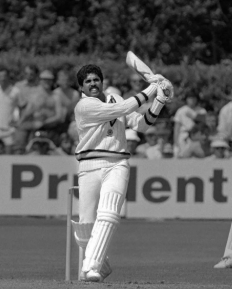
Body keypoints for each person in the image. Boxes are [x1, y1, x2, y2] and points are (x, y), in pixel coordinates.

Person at [71, 64, 172, 282]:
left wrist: (160, 100)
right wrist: (152, 88)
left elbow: (142, 125)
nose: (93, 84)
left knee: (108, 214)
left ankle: (90, 268)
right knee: (85, 227)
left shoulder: (115, 98)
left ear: (102, 81)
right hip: (89, 165)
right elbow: (120, 111)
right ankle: (101, 264)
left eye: (96, 79)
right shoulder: (84, 106)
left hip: (117, 163)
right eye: (87, 81)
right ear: (81, 87)